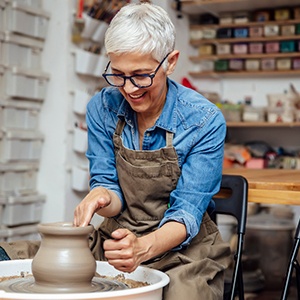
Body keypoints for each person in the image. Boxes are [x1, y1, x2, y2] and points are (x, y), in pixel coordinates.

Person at [0, 3, 230, 299]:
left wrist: (142, 248)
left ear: (170, 62)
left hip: (182, 248)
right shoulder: (103, 107)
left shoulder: (204, 120)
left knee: (182, 294)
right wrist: (101, 196)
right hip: (116, 237)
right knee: (12, 257)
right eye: (118, 74)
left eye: (141, 75)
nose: (129, 88)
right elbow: (111, 191)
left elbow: (186, 214)